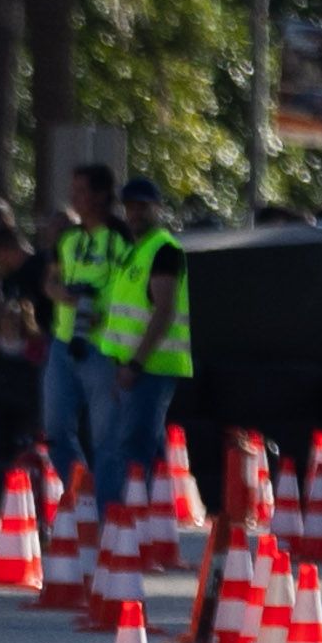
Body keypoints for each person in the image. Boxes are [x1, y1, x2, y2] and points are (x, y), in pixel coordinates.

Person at [92, 174, 191, 509]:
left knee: (135, 446)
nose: (135, 213)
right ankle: (151, 514)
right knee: (143, 445)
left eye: (142, 207)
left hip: (150, 364)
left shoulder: (162, 250)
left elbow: (163, 310)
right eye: (130, 207)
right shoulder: (134, 252)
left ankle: (133, 516)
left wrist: (135, 363)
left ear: (157, 208)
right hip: (130, 365)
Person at [41, 161, 118, 493]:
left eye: (82, 191)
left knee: (105, 434)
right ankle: (82, 494)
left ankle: (109, 502)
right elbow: (50, 281)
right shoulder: (68, 239)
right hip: (63, 343)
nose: (74, 197)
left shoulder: (119, 238)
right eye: (73, 191)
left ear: (100, 195)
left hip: (102, 345)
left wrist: (103, 310)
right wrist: (59, 292)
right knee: (55, 430)